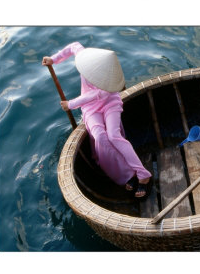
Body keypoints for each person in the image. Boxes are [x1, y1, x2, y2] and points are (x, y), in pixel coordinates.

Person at [42, 42, 151, 198]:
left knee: (114, 136)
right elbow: (73, 46)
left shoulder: (107, 84)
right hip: (90, 108)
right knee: (100, 136)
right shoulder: (84, 57)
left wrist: (70, 104)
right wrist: (53, 59)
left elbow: (93, 95)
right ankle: (129, 174)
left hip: (109, 103)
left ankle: (143, 174)